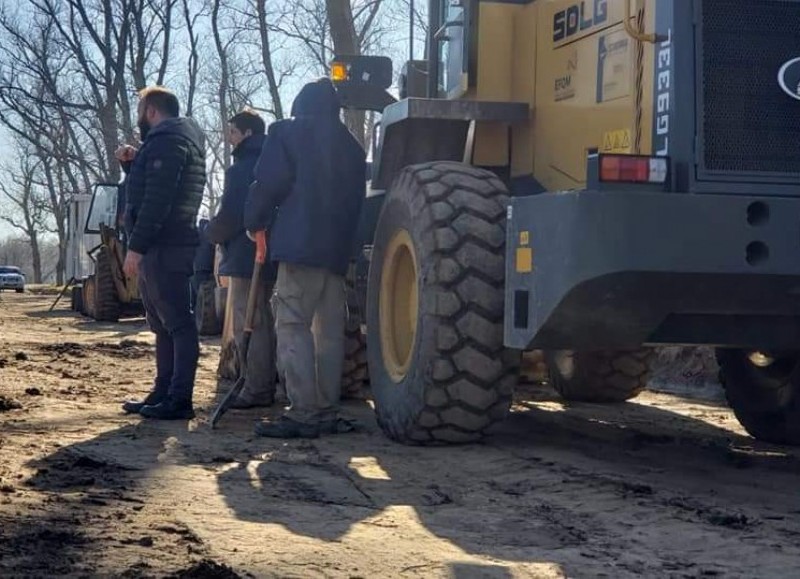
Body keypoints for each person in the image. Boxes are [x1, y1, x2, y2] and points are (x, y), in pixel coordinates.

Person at [244, 78, 366, 438]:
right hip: (336, 253)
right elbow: (358, 205)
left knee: (293, 324)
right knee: (328, 332)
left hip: (299, 247)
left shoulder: (286, 133)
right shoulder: (352, 148)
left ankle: (303, 412)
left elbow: (268, 183)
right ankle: (326, 409)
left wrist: (255, 222)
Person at [118, 86, 207, 420]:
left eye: (141, 110)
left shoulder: (168, 141)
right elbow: (153, 189)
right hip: (168, 242)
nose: (139, 117)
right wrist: (133, 165)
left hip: (165, 245)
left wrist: (136, 248)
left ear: (152, 111)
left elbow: (158, 199)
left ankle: (179, 398)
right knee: (161, 323)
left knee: (178, 323)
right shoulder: (172, 141)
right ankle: (163, 391)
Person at [206, 109, 278, 408]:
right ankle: (264, 382)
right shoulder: (275, 162)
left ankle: (256, 388)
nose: (230, 139)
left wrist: (209, 234)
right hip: (270, 251)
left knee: (249, 319)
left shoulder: (242, 168)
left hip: (246, 254)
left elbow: (233, 215)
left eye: (233, 132)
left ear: (248, 133)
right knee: (264, 318)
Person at [191, 218, 215, 313]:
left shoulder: (195, 235)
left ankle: (194, 316)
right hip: (206, 269)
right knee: (203, 297)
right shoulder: (209, 235)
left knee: (195, 296)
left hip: (194, 269)